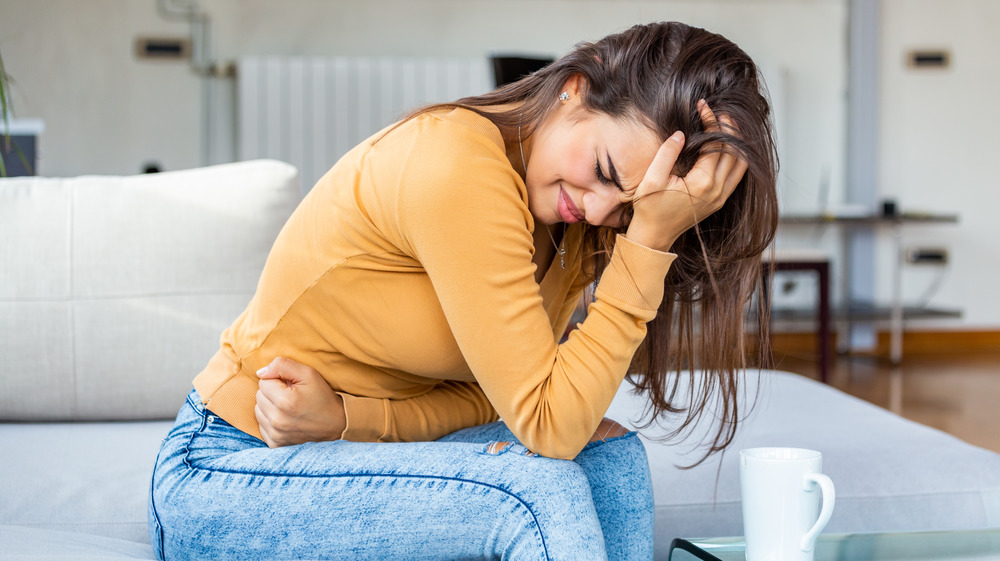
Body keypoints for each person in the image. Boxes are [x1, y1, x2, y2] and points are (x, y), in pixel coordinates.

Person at [148, 21, 778, 561]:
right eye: (606, 172)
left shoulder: (572, 219)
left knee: (612, 465)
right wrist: (648, 243)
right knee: (536, 493)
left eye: (631, 210)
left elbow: (495, 401)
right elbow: (547, 424)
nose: (597, 209)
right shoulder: (457, 165)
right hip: (231, 464)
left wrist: (351, 421)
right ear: (574, 90)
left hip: (330, 444)